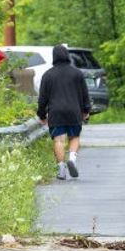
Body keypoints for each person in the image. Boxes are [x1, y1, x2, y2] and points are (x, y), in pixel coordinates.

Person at [37, 44, 91, 180]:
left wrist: (42, 115)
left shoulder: (48, 75)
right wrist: (86, 110)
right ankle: (72, 158)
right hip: (74, 111)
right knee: (74, 137)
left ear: (54, 57)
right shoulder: (77, 73)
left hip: (56, 112)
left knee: (59, 140)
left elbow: (42, 98)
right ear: (67, 55)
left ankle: (61, 169)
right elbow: (84, 93)